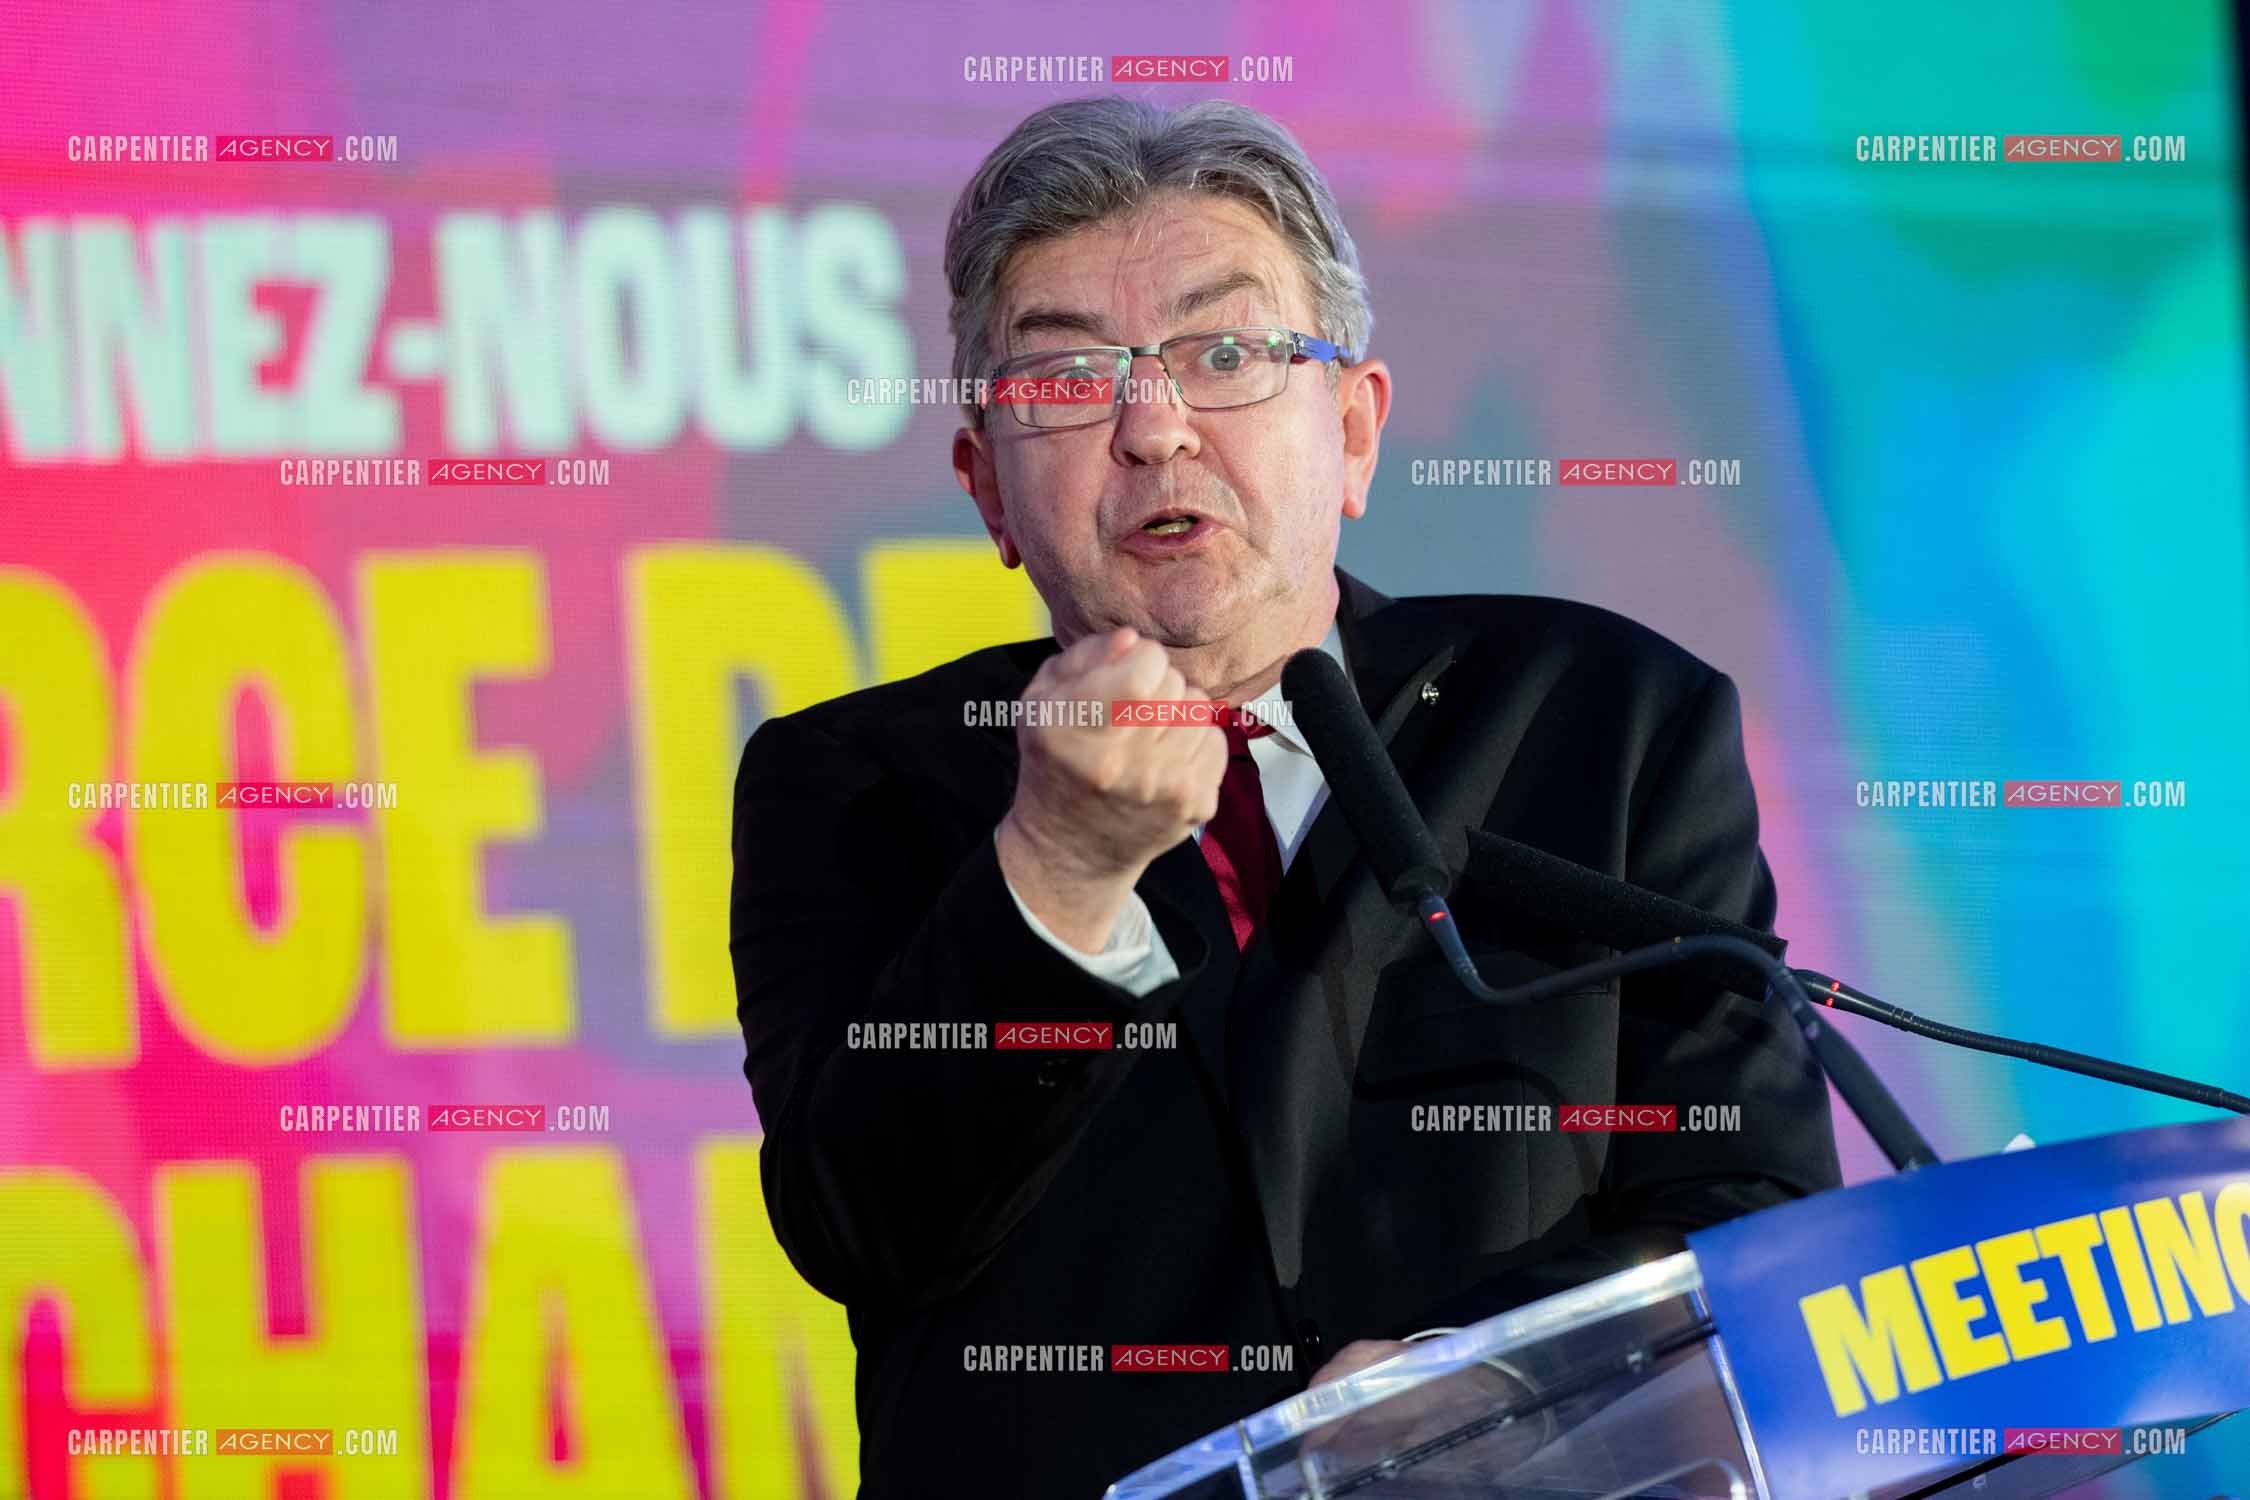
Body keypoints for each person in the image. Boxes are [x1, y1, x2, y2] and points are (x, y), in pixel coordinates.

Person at [730, 94, 1840, 1500]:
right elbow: (861, 1230)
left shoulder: (1602, 717)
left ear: (1356, 429)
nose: (1154, 428)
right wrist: (1058, 870)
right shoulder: (862, 780)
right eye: (1068, 380)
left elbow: (1748, 1199)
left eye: (1227, 353)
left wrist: (1481, 1377)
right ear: (986, 492)